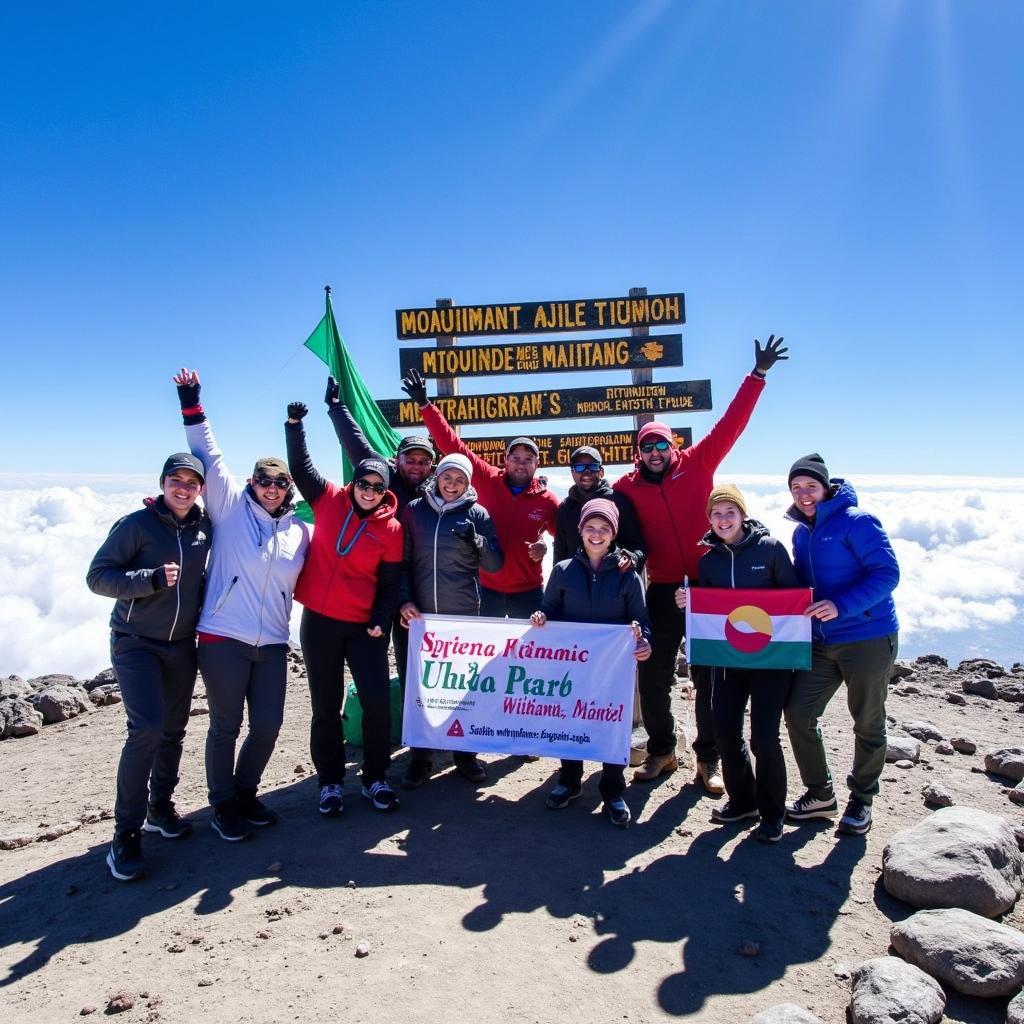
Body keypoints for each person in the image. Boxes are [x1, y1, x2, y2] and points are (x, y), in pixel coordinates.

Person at [613, 335, 788, 793]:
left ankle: (706, 758)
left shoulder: (699, 461)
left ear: (674, 446)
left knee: (709, 679)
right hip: (662, 589)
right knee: (653, 675)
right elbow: (597, 518)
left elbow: (733, 423)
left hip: (712, 591)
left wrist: (757, 376)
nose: (655, 454)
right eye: (647, 447)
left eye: (662, 446)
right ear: (639, 452)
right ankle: (662, 749)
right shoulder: (626, 487)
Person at [173, 369, 310, 842]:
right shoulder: (229, 507)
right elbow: (207, 453)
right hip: (222, 639)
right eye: (263, 480)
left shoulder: (300, 532)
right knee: (226, 726)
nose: (271, 487)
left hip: (272, 642)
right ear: (252, 482)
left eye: (280, 482)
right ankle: (222, 804)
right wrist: (191, 400)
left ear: (288, 489)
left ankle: (247, 792)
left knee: (268, 725)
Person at [87, 453, 211, 881]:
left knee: (174, 729)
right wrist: (150, 579)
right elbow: (98, 577)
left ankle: (160, 807)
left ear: (200, 488)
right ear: (162, 483)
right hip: (135, 643)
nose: (183, 488)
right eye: (175, 480)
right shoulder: (135, 525)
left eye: (191, 482)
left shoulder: (204, 528)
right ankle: (125, 835)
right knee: (146, 730)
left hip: (181, 645)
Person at [285, 401, 404, 816]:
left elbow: (390, 586)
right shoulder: (329, 499)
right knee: (325, 705)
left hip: (364, 629)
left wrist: (378, 621)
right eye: (363, 484)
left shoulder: (391, 529)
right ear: (353, 483)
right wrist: (295, 426)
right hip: (318, 623)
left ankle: (375, 778)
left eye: (376, 486)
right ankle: (331, 782)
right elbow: (301, 470)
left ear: (385, 490)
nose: (368, 491)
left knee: (375, 703)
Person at [674, 484, 801, 842]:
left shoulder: (771, 550)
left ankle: (773, 813)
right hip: (727, 662)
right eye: (716, 513)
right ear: (709, 520)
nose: (723, 519)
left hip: (771, 661)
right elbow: (709, 609)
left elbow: (792, 601)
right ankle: (743, 800)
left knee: (763, 737)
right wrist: (688, 600)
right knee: (726, 734)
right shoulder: (709, 561)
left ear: (743, 515)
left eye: (731, 512)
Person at [782, 454, 900, 836]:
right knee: (799, 713)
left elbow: (887, 573)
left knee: (867, 721)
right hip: (821, 641)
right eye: (796, 488)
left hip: (867, 637)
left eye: (810, 486)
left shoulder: (857, 521)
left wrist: (841, 605)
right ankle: (820, 795)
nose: (803, 494)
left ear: (826, 487)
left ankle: (862, 799)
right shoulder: (802, 532)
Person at [530, 498, 652, 827]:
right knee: (570, 719)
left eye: (604, 529)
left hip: (613, 669)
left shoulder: (628, 575)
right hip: (572, 667)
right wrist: (543, 616)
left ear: (613, 534)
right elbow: (550, 608)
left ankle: (613, 789)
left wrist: (644, 642)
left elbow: (642, 620)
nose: (596, 534)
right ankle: (569, 780)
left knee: (611, 724)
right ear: (580, 531)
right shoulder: (563, 570)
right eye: (590, 528)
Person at [400, 369, 558, 619]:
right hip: (486, 589)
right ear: (505, 459)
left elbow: (567, 536)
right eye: (515, 457)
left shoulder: (548, 500)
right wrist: (424, 404)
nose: (521, 463)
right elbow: (452, 444)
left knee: (529, 656)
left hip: (528, 592)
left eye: (528, 459)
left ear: (537, 464)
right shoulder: (487, 478)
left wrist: (544, 547)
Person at [398, 452, 504, 788]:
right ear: (437, 476)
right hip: (420, 617)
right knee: (420, 687)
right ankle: (421, 756)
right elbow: (399, 561)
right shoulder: (415, 511)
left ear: (468, 482)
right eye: (448, 477)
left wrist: (477, 541)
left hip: (462, 616)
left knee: (461, 688)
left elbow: (495, 564)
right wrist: (404, 600)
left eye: (460, 479)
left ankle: (465, 755)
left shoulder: (478, 513)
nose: (453, 484)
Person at [324, 374, 434, 697]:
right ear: (396, 460)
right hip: (379, 586)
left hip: (416, 589)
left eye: (423, 461)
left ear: (431, 464)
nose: (415, 466)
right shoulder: (385, 478)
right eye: (409, 459)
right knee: (375, 660)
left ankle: (415, 731)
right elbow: (357, 446)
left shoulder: (436, 490)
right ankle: (383, 722)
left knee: (413, 662)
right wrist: (336, 408)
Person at [552, 444, 645, 573]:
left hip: (613, 583)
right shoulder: (565, 507)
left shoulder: (619, 502)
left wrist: (631, 559)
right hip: (576, 586)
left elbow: (637, 546)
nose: (586, 472)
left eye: (593, 467)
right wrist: (558, 585)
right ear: (572, 473)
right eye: (579, 467)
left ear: (601, 472)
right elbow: (560, 551)